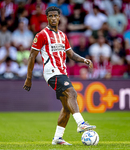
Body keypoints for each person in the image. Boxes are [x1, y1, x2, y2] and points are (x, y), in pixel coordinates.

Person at [23, 6, 96, 145]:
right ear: (47, 18)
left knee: (67, 106)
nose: (53, 18)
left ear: (59, 17)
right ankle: (81, 123)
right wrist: (28, 78)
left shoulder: (62, 35)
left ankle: (58, 138)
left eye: (55, 16)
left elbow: (71, 54)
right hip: (51, 72)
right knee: (72, 93)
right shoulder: (42, 35)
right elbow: (32, 56)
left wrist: (84, 60)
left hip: (62, 72)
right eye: (50, 16)